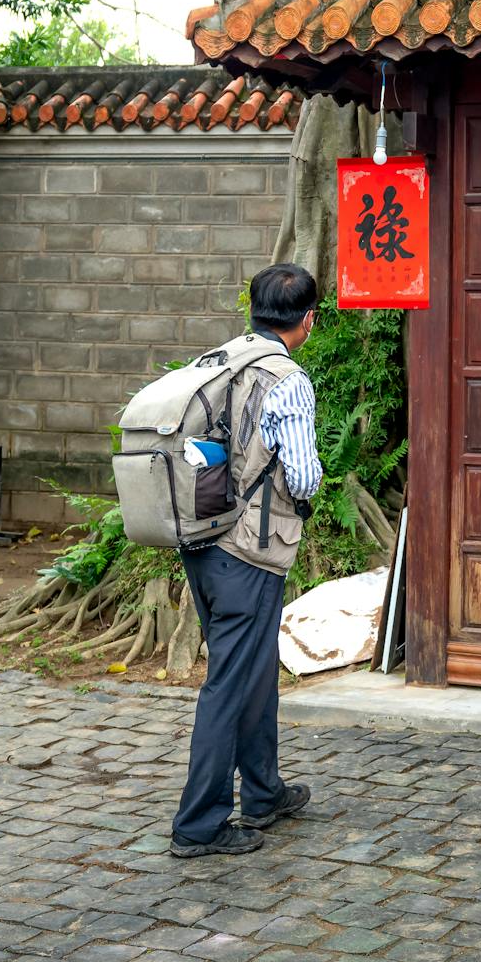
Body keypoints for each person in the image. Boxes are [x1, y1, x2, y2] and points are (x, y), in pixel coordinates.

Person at [169, 262, 324, 858]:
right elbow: (305, 475)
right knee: (230, 684)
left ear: (253, 310)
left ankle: (262, 792)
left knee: (253, 671)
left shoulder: (216, 361)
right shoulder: (287, 379)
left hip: (202, 542)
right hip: (252, 552)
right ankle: (199, 825)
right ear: (307, 320)